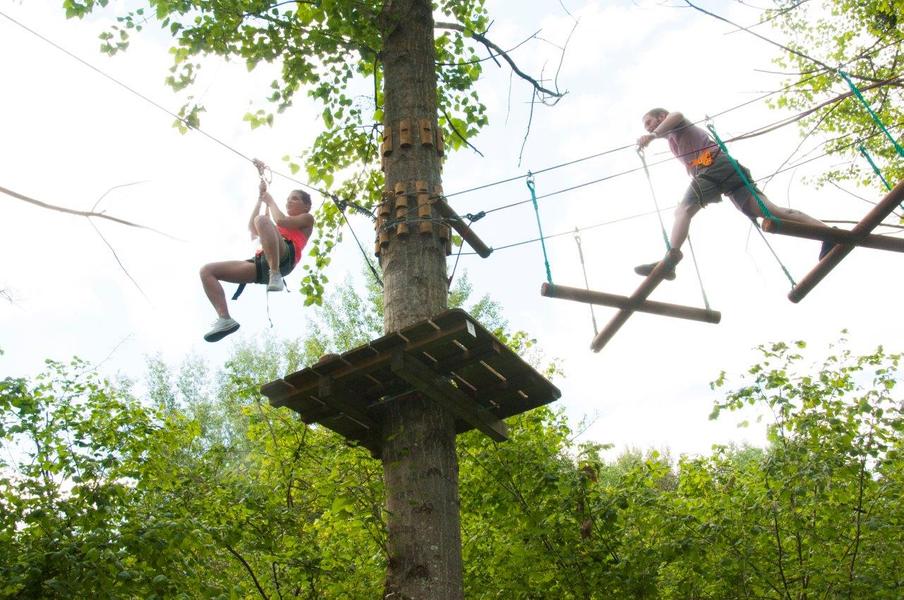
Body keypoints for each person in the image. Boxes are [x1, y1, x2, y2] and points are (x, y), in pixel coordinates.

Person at [634, 108, 833, 279]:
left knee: (682, 211)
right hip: (726, 175)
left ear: (661, 116)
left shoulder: (677, 123)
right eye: (646, 127)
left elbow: (676, 115)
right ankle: (827, 234)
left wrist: (652, 136)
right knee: (771, 212)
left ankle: (670, 260)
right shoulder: (673, 140)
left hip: (713, 167)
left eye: (649, 122)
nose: (649, 128)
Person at [199, 160, 315, 342]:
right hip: (261, 265)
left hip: (285, 258)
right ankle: (224, 318)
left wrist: (270, 200)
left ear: (306, 206)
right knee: (207, 271)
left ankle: (275, 273)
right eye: (288, 199)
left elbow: (282, 221)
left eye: (295, 199)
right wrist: (260, 199)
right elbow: (252, 228)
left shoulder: (306, 219)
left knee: (262, 220)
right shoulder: (274, 225)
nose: (289, 201)